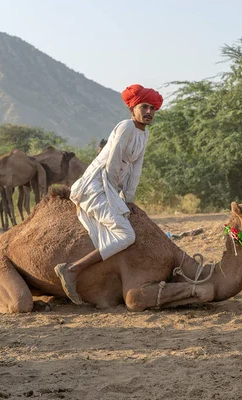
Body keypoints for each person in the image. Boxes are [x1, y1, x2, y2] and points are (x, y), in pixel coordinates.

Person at [54, 84, 163, 304]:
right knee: (126, 236)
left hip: (110, 189)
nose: (149, 112)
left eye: (153, 108)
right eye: (144, 107)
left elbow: (136, 168)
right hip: (95, 186)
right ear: (132, 109)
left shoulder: (144, 133)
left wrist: (129, 199)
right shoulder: (125, 127)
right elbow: (112, 162)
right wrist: (115, 194)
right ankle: (72, 269)